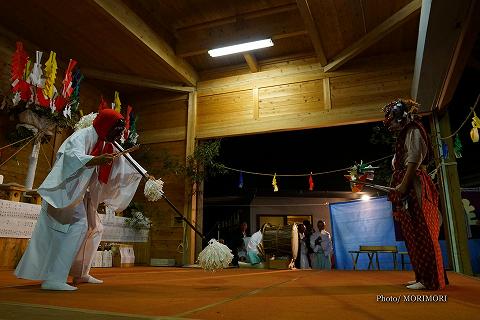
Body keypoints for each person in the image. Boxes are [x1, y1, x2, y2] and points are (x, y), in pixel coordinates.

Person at [15, 109, 145, 291]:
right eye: (115, 129)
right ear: (104, 125)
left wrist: (146, 175)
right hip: (62, 193)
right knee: (77, 227)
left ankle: (78, 273)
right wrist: (95, 160)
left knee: (92, 227)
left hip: (75, 196)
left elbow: (127, 162)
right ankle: (54, 278)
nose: (116, 135)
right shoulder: (82, 136)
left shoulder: (103, 140)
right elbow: (69, 157)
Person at [383, 98, 445, 290]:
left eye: (392, 120)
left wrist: (403, 184)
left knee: (423, 231)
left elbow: (414, 160)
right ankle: (421, 276)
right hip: (408, 185)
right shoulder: (404, 133)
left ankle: (430, 280)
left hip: (414, 184)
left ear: (400, 117)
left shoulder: (413, 130)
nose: (390, 125)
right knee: (413, 234)